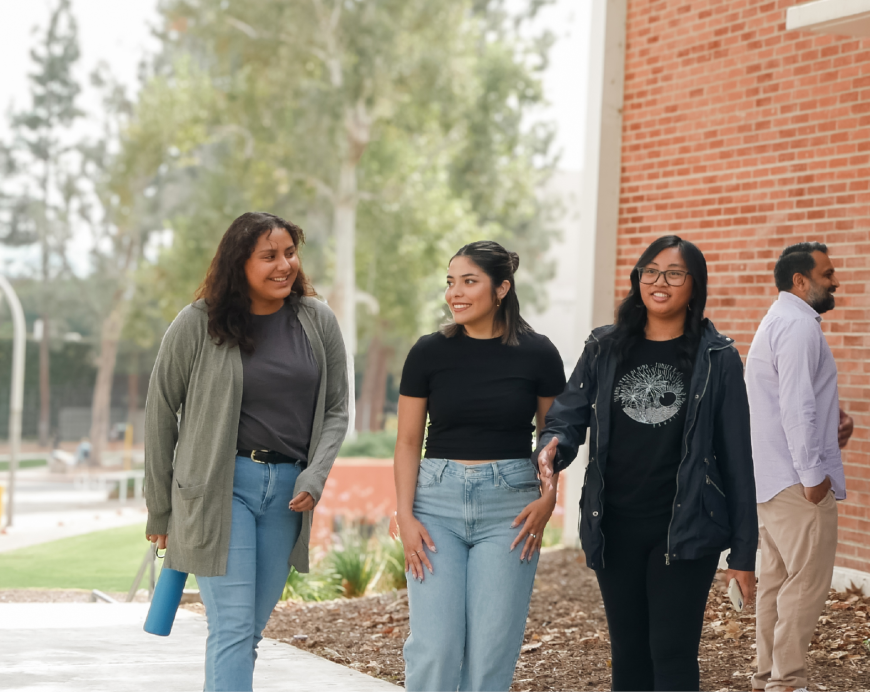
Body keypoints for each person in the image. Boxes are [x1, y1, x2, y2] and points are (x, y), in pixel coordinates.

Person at [534, 235, 758, 692]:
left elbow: (737, 457)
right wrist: (554, 446)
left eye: (674, 274)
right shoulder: (605, 347)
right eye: (650, 271)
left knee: (672, 653)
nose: (659, 282)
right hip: (614, 523)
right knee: (629, 653)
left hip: (686, 525)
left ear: (694, 285)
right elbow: (568, 414)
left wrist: (743, 552)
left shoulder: (717, 358)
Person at [143, 212, 349, 692]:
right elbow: (159, 413)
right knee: (233, 630)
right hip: (220, 490)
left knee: (248, 632)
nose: (284, 265)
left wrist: (315, 475)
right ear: (240, 263)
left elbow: (337, 408)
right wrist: (160, 508)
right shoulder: (198, 322)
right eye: (269, 256)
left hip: (289, 495)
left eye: (290, 253)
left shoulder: (317, 320)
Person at [395, 240, 566, 692]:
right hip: (435, 504)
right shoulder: (428, 352)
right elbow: (408, 441)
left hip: (510, 508)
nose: (455, 293)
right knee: (435, 646)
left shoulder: (539, 353)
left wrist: (549, 498)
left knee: (492, 649)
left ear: (502, 288)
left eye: (469, 281)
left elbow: (553, 438)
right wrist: (404, 515)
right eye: (451, 282)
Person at [745, 241, 856, 692]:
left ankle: (767, 677)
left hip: (771, 479)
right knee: (804, 586)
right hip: (796, 481)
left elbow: (785, 399)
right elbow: (796, 405)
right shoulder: (797, 326)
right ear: (800, 280)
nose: (836, 281)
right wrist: (813, 477)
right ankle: (786, 682)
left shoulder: (776, 320)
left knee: (776, 584)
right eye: (827, 274)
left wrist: (834, 418)